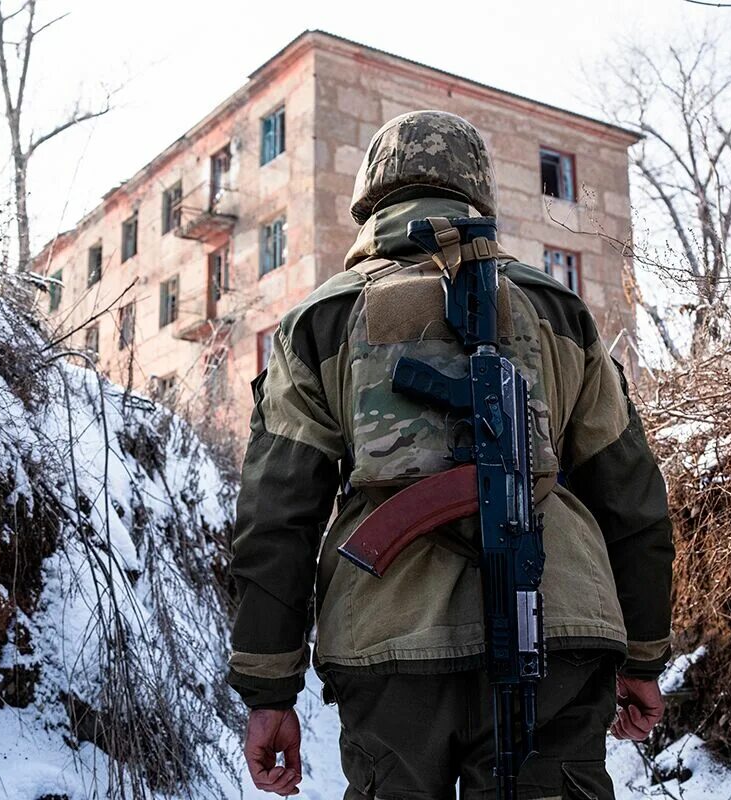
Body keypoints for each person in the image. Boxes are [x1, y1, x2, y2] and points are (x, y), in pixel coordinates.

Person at [227, 110, 674, 800]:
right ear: (479, 193)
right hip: (559, 632)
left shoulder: (318, 322)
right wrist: (643, 654)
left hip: (390, 643)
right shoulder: (560, 312)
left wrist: (268, 687)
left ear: (372, 198)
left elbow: (277, 513)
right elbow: (633, 498)